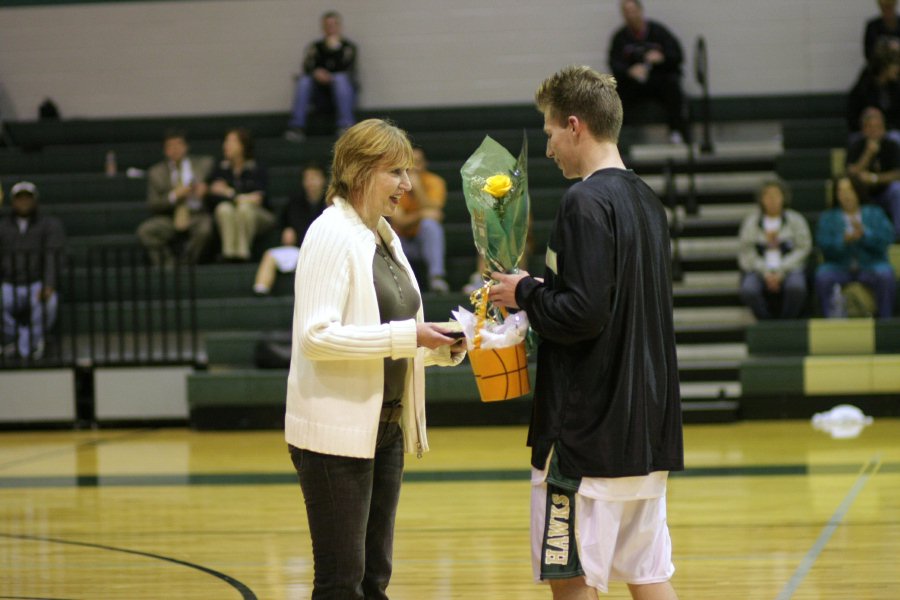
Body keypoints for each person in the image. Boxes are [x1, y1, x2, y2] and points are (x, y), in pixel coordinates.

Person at [489, 66, 682, 600]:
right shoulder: (647, 202)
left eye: (550, 133)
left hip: (586, 435)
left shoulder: (584, 200)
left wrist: (524, 293)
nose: (548, 147)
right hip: (644, 431)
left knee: (572, 580)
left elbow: (583, 313)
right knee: (648, 575)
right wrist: (540, 289)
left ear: (574, 125)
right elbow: (606, 303)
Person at [285, 119, 465, 599]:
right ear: (360, 172)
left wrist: (439, 349)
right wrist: (409, 336)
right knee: (342, 583)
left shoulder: (384, 236)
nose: (408, 185)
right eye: (397, 172)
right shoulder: (330, 233)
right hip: (333, 437)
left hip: (383, 429)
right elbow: (315, 337)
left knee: (373, 580)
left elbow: (387, 343)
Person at [814, 175, 896, 319]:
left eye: (850, 189)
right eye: (841, 190)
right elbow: (823, 244)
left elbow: (887, 239)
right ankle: (829, 320)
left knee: (885, 274)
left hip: (871, 264)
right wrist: (843, 241)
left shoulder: (874, 213)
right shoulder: (828, 217)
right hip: (839, 266)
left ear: (858, 191)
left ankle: (885, 320)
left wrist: (866, 234)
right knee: (823, 275)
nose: (846, 194)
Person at [1, 181, 66, 359]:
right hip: (8, 284)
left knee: (50, 303)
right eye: (19, 198)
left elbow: (54, 255)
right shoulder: (2, 226)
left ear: (35, 200)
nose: (23, 202)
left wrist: (49, 284)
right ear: (12, 201)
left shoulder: (49, 224)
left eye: (27, 198)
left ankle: (27, 345)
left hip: (36, 283)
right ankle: (18, 340)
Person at [608, 0, 688, 144]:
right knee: (616, 97)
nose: (630, 15)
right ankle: (621, 139)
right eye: (626, 12)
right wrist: (629, 71)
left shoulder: (659, 32)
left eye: (632, 11)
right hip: (634, 84)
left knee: (673, 88)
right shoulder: (620, 37)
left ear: (640, 11)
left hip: (658, 80)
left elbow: (677, 56)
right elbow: (614, 63)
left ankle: (677, 133)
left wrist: (662, 58)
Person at [136, 129, 214, 265]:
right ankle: (169, 268)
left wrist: (206, 190)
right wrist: (174, 195)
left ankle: (186, 266)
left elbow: (217, 186)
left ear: (186, 146)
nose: (175, 149)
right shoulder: (156, 172)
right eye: (171, 146)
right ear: (165, 150)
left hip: (196, 214)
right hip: (170, 217)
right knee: (146, 231)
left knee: (205, 229)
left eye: (178, 144)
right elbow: (153, 204)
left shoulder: (205, 164)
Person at [737, 180, 812, 319]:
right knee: (749, 289)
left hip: (790, 267)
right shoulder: (751, 223)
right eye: (768, 195)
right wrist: (766, 272)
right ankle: (765, 320)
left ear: (784, 197)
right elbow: (747, 252)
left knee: (796, 287)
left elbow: (803, 248)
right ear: (761, 199)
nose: (772, 199)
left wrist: (781, 270)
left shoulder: (796, 220)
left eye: (776, 195)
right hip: (759, 269)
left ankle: (788, 320)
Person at [252, 163, 327, 295]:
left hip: (324, 254)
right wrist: (286, 230)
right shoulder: (294, 202)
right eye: (307, 178)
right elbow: (281, 223)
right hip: (298, 250)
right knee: (270, 256)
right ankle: (260, 291)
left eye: (314, 178)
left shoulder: (332, 203)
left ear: (323, 180)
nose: (310, 182)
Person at [285, 10, 358, 142]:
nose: (330, 28)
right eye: (327, 25)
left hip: (342, 92)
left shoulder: (348, 47)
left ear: (339, 27)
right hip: (319, 93)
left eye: (333, 25)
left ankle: (345, 126)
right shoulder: (315, 47)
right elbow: (307, 66)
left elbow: (348, 69)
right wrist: (316, 73)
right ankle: (297, 127)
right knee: (303, 81)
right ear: (323, 28)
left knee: (340, 79)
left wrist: (335, 50)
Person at [206, 128, 275, 262]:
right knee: (224, 209)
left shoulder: (256, 167)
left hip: (259, 214)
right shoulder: (220, 169)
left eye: (232, 141)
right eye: (226, 141)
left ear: (243, 145)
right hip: (231, 212)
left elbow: (258, 198)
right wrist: (242, 197)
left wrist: (229, 193)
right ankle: (229, 255)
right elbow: (213, 197)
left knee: (244, 209)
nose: (226, 145)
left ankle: (243, 254)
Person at [389, 147, 449, 293]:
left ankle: (436, 278)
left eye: (418, 162)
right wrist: (422, 214)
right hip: (401, 241)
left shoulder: (435, 182)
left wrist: (418, 188)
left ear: (425, 164)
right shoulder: (394, 184)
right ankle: (396, 284)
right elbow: (399, 221)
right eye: (410, 163)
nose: (414, 167)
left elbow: (435, 211)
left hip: (423, 242)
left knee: (431, 226)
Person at [846, 107, 900, 239]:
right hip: (863, 193)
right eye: (870, 127)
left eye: (878, 127)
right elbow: (851, 173)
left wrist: (875, 178)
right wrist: (868, 154)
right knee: (847, 190)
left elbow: (898, 173)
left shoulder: (891, 145)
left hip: (885, 191)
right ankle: (858, 236)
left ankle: (898, 234)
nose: (874, 130)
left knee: (897, 190)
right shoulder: (856, 145)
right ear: (864, 129)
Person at [847, 43, 900, 134]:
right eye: (895, 64)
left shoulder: (895, 88)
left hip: (889, 132)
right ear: (884, 67)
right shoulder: (863, 88)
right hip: (865, 133)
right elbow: (853, 116)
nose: (898, 68)